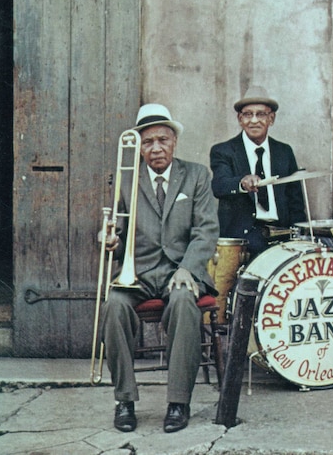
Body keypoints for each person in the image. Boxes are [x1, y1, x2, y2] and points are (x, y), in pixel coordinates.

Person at [100, 103, 219, 433]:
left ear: (174, 141)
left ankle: (178, 402)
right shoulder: (126, 178)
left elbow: (206, 229)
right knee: (113, 307)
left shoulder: (196, 175)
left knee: (183, 302)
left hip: (179, 271)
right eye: (148, 141)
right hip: (136, 274)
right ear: (139, 144)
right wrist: (109, 239)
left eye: (162, 140)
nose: (156, 148)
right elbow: (119, 231)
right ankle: (124, 400)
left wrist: (189, 269)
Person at [210, 85, 306, 258]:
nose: (254, 121)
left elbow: (295, 201)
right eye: (248, 114)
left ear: (272, 119)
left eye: (261, 114)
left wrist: (299, 237)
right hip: (244, 239)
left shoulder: (284, 152)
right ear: (240, 119)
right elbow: (219, 185)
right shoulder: (223, 151)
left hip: (281, 234)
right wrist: (241, 182)